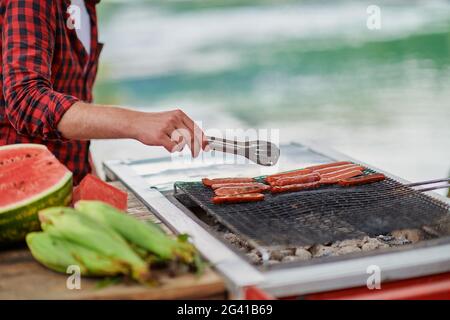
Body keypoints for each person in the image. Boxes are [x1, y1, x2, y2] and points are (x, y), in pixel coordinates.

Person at [0, 0, 206, 184]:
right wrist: (136, 122)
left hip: (66, 182)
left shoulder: (86, 6)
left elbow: (71, 104)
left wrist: (90, 175)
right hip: (18, 188)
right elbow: (25, 100)